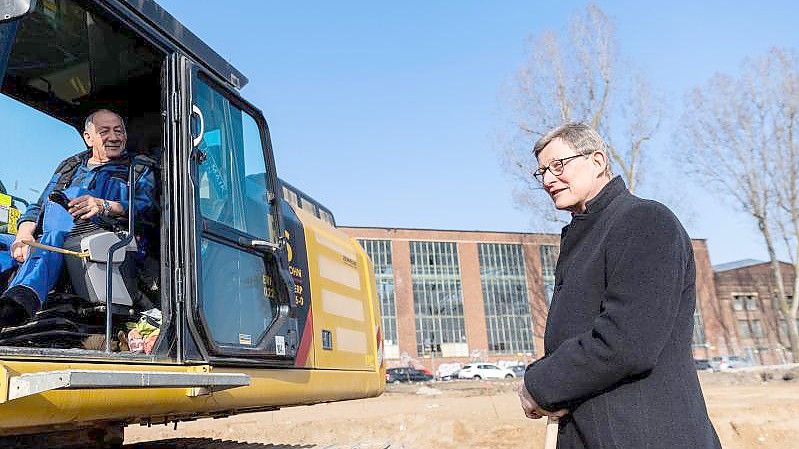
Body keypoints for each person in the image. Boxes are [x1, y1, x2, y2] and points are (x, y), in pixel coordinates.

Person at [517, 123, 721, 448]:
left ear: (597, 161)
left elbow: (626, 343)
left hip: (643, 435)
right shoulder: (584, 236)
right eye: (541, 172)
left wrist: (539, 383)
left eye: (558, 165)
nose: (548, 180)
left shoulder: (644, 222)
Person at [0, 109, 156, 327]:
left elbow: (147, 209)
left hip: (103, 242)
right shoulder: (69, 167)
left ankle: (18, 303)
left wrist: (105, 206)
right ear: (88, 137)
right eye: (105, 131)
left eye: (119, 131)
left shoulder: (139, 167)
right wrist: (23, 235)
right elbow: (38, 207)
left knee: (52, 239)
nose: (114, 137)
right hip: (49, 236)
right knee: (4, 243)